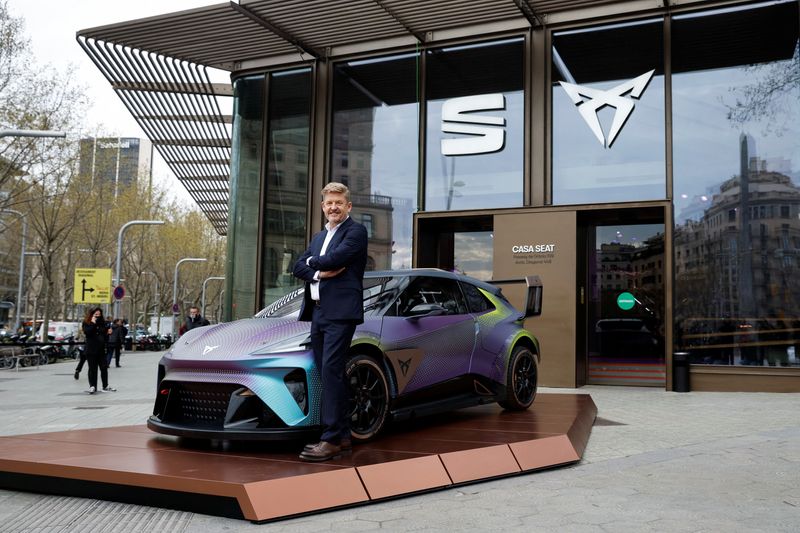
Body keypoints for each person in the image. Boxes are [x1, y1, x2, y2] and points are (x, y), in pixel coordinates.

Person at [292, 182, 368, 462]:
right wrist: (318, 271)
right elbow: (298, 267)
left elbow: (337, 258)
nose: (333, 207)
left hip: (340, 313)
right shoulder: (317, 237)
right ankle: (344, 435)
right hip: (319, 312)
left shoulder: (356, 231)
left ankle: (331, 438)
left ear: (348, 206)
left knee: (332, 371)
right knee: (328, 374)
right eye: (329, 203)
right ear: (323, 207)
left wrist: (312, 264)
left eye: (339, 202)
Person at [82, 307, 116, 394]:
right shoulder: (87, 323)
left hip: (101, 350)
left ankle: (105, 385)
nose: (97, 316)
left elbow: (104, 336)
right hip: (91, 349)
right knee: (92, 369)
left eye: (99, 315)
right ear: (91, 315)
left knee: (104, 368)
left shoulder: (102, 324)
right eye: (96, 315)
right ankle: (92, 386)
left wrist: (108, 333)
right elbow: (87, 332)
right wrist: (93, 323)